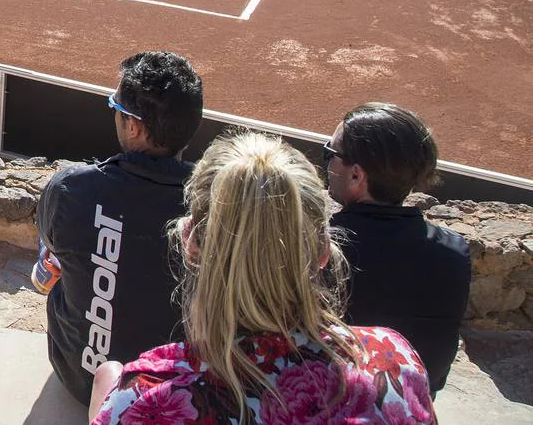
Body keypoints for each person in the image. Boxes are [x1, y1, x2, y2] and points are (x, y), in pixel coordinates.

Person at [89, 132, 437, 424]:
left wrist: (110, 398)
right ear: (323, 251)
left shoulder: (142, 401)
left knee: (108, 374)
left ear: (190, 242)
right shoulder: (396, 362)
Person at [35, 51, 203, 407]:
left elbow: (50, 256)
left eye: (118, 108)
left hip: (80, 381)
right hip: (168, 392)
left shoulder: (70, 188)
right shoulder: (215, 206)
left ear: (135, 126)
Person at [326, 103, 471, 395]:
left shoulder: (322, 250)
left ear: (356, 176)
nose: (328, 165)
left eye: (331, 155)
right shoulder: (454, 252)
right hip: (413, 403)